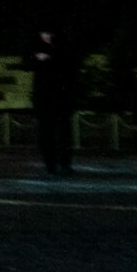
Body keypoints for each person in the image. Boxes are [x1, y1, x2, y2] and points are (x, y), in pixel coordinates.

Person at [24, 25, 78, 179]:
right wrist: (37, 58)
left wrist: (50, 56)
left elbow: (70, 66)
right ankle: (50, 164)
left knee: (63, 133)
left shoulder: (63, 48)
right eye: (44, 33)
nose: (46, 36)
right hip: (44, 97)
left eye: (49, 33)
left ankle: (64, 163)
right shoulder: (35, 47)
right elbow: (27, 63)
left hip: (61, 96)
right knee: (46, 133)